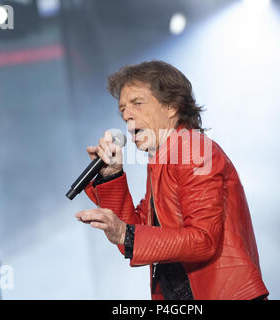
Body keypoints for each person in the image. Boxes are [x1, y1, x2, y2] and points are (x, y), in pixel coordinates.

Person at [75, 60, 269, 300]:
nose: (126, 115)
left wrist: (126, 233)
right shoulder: (163, 162)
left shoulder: (193, 149)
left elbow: (203, 239)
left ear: (171, 107)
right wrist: (111, 176)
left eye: (137, 103)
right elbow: (138, 235)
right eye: (123, 110)